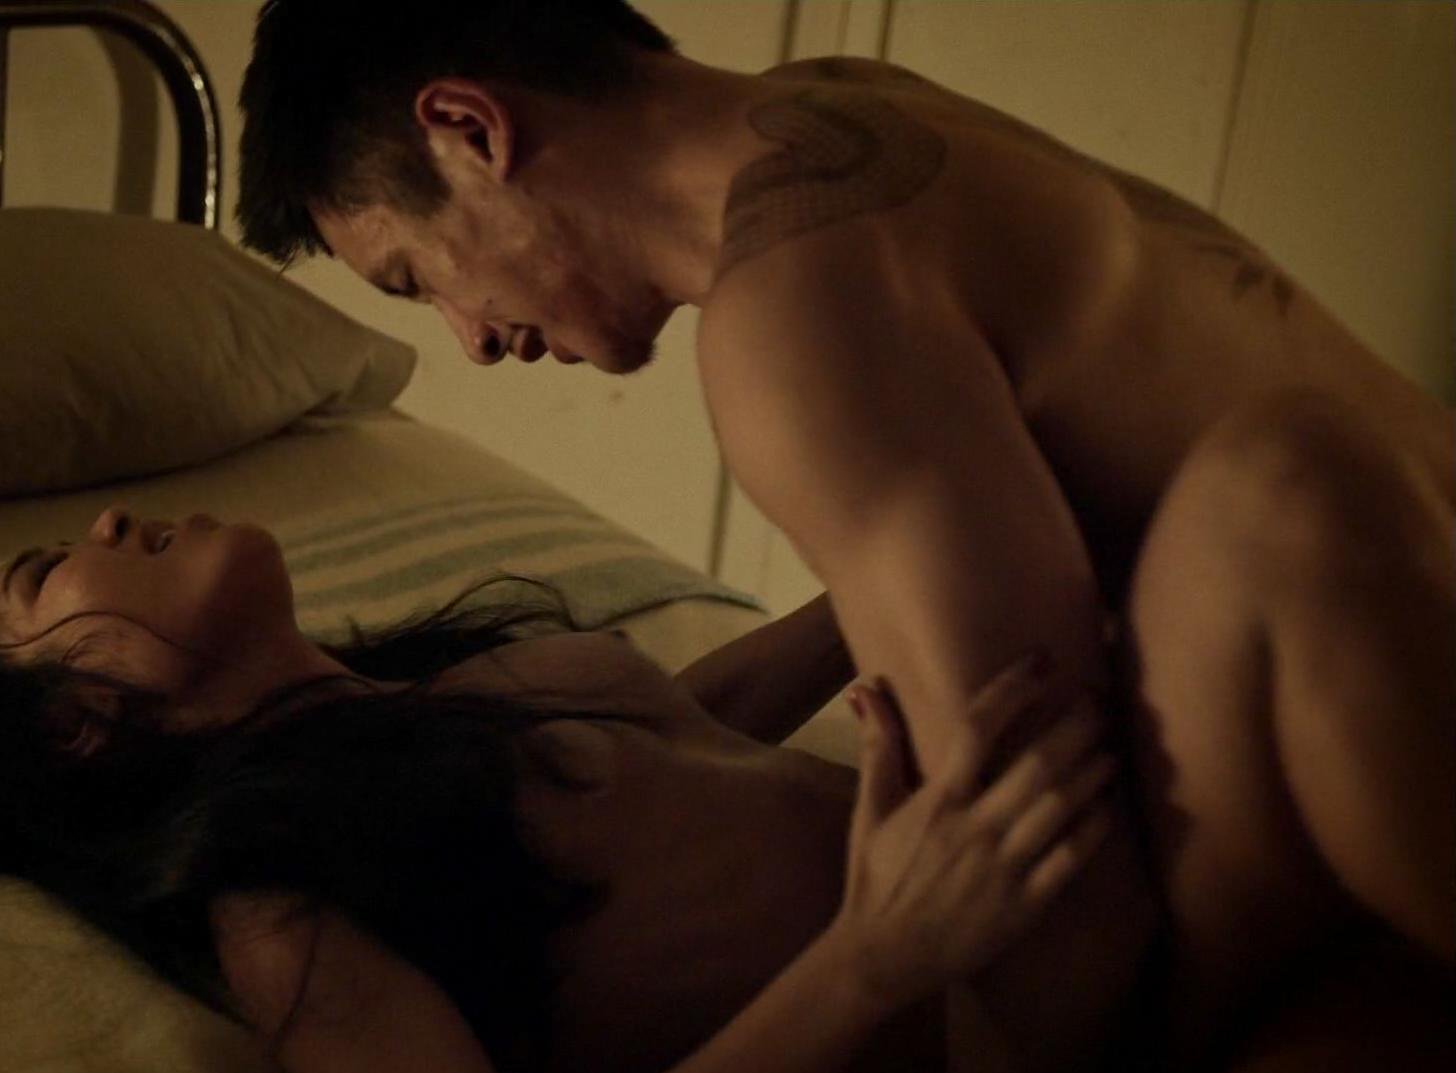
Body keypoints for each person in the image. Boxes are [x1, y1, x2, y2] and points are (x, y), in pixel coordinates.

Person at [233, 2, 1456, 1069]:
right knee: (1281, 484)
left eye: (415, 277)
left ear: (469, 130)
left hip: (1322, 742)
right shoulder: (848, 98)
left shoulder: (793, 312)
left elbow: (1052, 905)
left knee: (1282, 489)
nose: (471, 338)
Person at [0, 505, 1122, 1073]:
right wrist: (879, 955)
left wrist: (881, 580)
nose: (113, 522)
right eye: (52, 568)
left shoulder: (451, 701)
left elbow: (675, 740)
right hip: (1024, 1016)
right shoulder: (282, 905)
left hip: (1066, 907)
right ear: (74, 723)